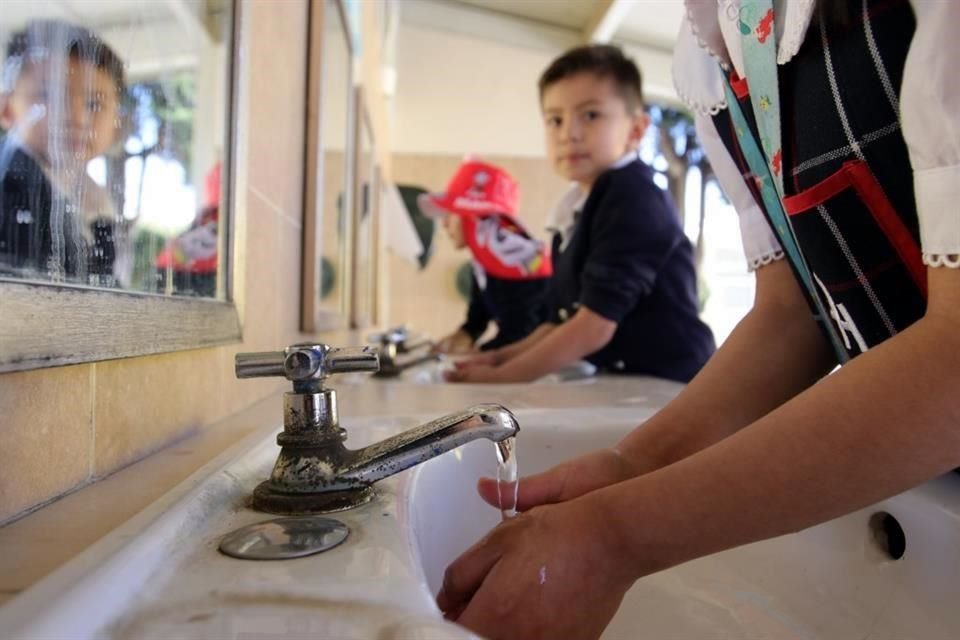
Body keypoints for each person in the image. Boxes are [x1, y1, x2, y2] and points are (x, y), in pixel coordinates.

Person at [436, 2, 960, 639]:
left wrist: (617, 533)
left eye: (589, 115)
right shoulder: (713, 46)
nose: (569, 133)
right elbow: (793, 311)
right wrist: (632, 465)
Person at [446, 44, 715, 384]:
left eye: (590, 115)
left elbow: (594, 326)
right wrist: (497, 358)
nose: (568, 134)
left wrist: (501, 378)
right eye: (555, 120)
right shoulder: (575, 211)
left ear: (635, 130)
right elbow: (558, 321)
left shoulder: (633, 196)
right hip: (631, 382)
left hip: (673, 383)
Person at [0, 20, 126, 285]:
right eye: (49, 96)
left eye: (94, 103)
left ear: (116, 124)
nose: (76, 118)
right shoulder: (9, 186)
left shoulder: (93, 198)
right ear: (6, 108)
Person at [420, 158, 552, 353]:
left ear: (474, 218)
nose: (444, 224)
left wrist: (475, 356)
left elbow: (520, 336)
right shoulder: (484, 264)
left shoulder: (524, 266)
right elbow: (476, 321)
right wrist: (458, 339)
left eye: (450, 214)